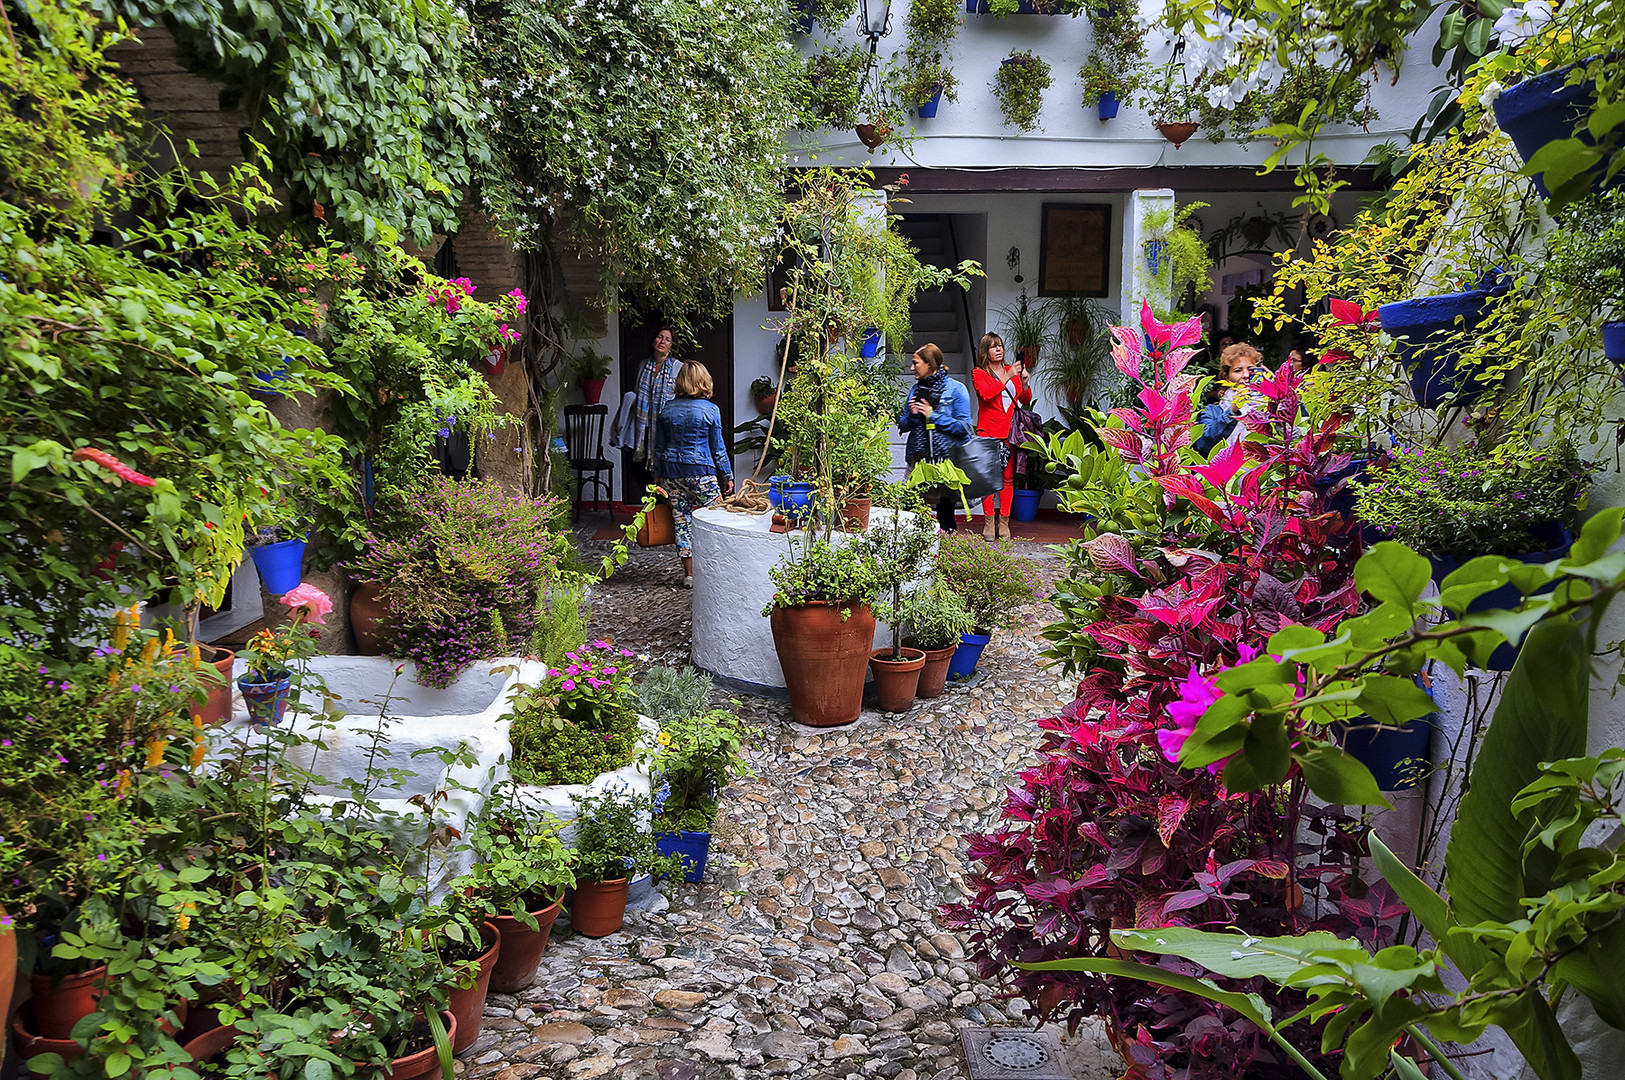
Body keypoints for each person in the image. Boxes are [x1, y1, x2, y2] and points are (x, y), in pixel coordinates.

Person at [654, 360, 733, 589]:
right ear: (703, 381)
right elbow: (718, 448)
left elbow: (658, 447)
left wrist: (657, 475)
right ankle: (716, 570)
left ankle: (689, 575)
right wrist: (727, 475)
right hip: (701, 472)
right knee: (717, 519)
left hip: (671, 472)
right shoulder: (710, 410)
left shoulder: (667, 409)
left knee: (682, 521)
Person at [897, 344, 973, 533]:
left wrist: (933, 416)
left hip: (944, 462)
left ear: (929, 364)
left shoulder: (956, 389)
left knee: (946, 515)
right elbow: (902, 425)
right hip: (918, 460)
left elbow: (964, 428)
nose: (912, 367)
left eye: (916, 363)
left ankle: (947, 556)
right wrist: (913, 415)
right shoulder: (915, 390)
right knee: (912, 512)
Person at [971, 332, 1031, 542]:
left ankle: (1003, 522)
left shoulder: (1011, 371)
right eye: (993, 346)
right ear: (985, 351)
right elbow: (987, 395)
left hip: (1009, 433)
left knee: (1007, 479)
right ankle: (989, 521)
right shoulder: (979, 373)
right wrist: (1007, 376)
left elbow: (1024, 399)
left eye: (1000, 346)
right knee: (988, 480)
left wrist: (1023, 382)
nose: (999, 349)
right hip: (988, 432)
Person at [1194, 343, 1265, 455]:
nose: (1246, 375)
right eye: (1238, 370)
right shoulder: (1213, 411)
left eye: (1251, 369)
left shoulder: (1267, 407)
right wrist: (1231, 412)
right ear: (1226, 376)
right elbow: (1203, 445)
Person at [630, 326, 681, 469]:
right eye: (659, 337)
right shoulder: (643, 365)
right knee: (641, 472)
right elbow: (637, 392)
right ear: (653, 341)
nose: (662, 341)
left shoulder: (678, 367)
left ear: (671, 345)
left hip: (666, 428)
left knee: (664, 469)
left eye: (667, 339)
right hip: (643, 427)